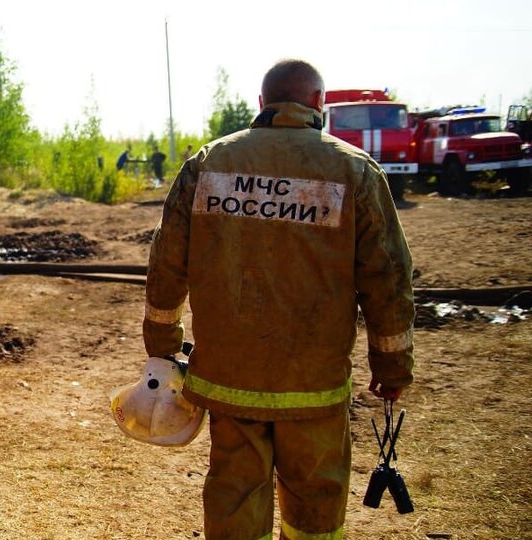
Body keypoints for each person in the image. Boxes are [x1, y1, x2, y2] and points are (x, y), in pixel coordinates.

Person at [143, 59, 414, 539]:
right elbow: (387, 278)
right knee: (315, 498)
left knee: (235, 494)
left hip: (231, 377)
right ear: (319, 104)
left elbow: (167, 262)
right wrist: (391, 367)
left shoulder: (210, 164)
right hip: (314, 383)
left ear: (262, 104)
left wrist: (161, 342)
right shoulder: (354, 171)